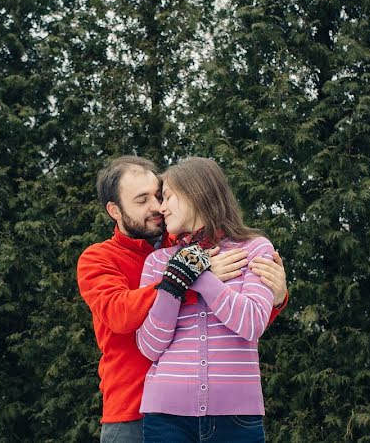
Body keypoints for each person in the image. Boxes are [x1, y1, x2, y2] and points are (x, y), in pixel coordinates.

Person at [77, 156, 288, 443]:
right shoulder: (99, 258)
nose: (156, 207)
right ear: (115, 210)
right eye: (142, 200)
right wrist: (183, 279)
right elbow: (119, 314)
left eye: (159, 195)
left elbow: (239, 321)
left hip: (209, 407)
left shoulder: (185, 248)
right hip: (131, 410)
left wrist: (274, 300)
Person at [136, 157, 282, 442]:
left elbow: (252, 323)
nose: (161, 208)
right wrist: (174, 282)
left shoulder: (254, 248)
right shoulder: (157, 262)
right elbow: (149, 347)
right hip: (166, 420)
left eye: (167, 197)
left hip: (236, 420)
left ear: (196, 192)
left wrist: (197, 274)